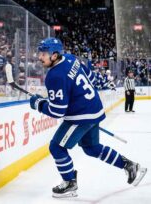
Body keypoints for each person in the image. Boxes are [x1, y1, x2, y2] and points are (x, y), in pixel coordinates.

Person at [29, 38, 147, 198]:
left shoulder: (54, 76)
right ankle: (130, 165)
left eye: (43, 54)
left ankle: (70, 183)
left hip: (81, 115)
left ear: (54, 55)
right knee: (92, 148)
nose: (40, 57)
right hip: (94, 109)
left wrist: (38, 104)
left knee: (56, 147)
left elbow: (57, 111)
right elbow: (91, 77)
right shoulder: (71, 58)